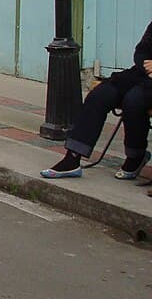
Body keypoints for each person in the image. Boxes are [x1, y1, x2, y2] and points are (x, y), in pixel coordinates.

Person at [41, 18, 152, 180]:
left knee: (133, 101)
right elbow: (142, 51)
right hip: (143, 74)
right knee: (99, 95)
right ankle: (72, 158)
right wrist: (146, 67)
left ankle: (136, 156)